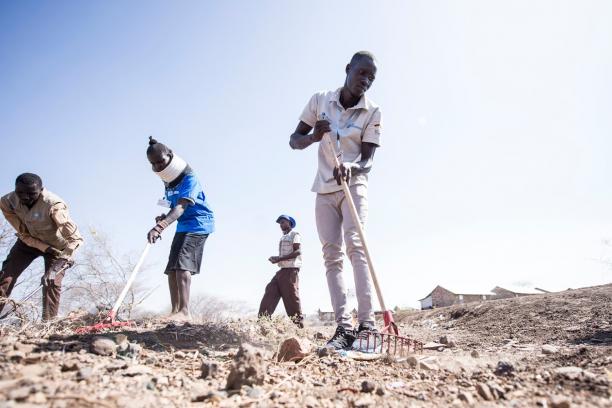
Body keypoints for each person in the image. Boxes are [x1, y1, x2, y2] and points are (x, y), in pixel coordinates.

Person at [289, 51, 382, 349]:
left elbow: (368, 160)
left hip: (354, 186)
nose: (365, 81)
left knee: (356, 246)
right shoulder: (320, 101)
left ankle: (367, 325)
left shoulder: (373, 112)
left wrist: (352, 167)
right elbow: (294, 140)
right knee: (331, 254)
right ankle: (344, 328)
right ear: (347, 69)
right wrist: (314, 136)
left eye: (371, 77)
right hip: (324, 190)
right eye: (361, 73)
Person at [146, 136, 214, 321]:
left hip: (199, 223)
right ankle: (175, 311)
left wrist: (160, 226)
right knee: (172, 268)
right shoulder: (168, 181)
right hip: (183, 225)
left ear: (169, 155)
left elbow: (181, 206)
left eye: (161, 161)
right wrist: (163, 217)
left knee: (183, 265)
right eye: (154, 164)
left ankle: (185, 312)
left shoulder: (190, 178)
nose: (159, 166)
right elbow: (172, 205)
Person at [0, 173, 83, 320]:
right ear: (15, 189)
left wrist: (63, 258)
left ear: (41, 190)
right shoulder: (6, 202)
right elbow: (22, 233)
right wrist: (43, 247)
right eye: (20, 193)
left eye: (31, 193)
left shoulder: (54, 205)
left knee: (51, 281)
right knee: (5, 277)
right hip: (28, 242)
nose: (25, 197)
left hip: (57, 248)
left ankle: (47, 324)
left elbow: (75, 239)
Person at [257, 215, 303, 327]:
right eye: (280, 223)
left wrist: (279, 258)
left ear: (290, 223)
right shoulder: (283, 237)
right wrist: (277, 258)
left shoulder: (295, 234)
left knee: (291, 298)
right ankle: (263, 323)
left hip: (291, 271)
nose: (281, 225)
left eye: (283, 222)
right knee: (270, 291)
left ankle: (298, 326)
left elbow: (298, 252)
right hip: (282, 270)